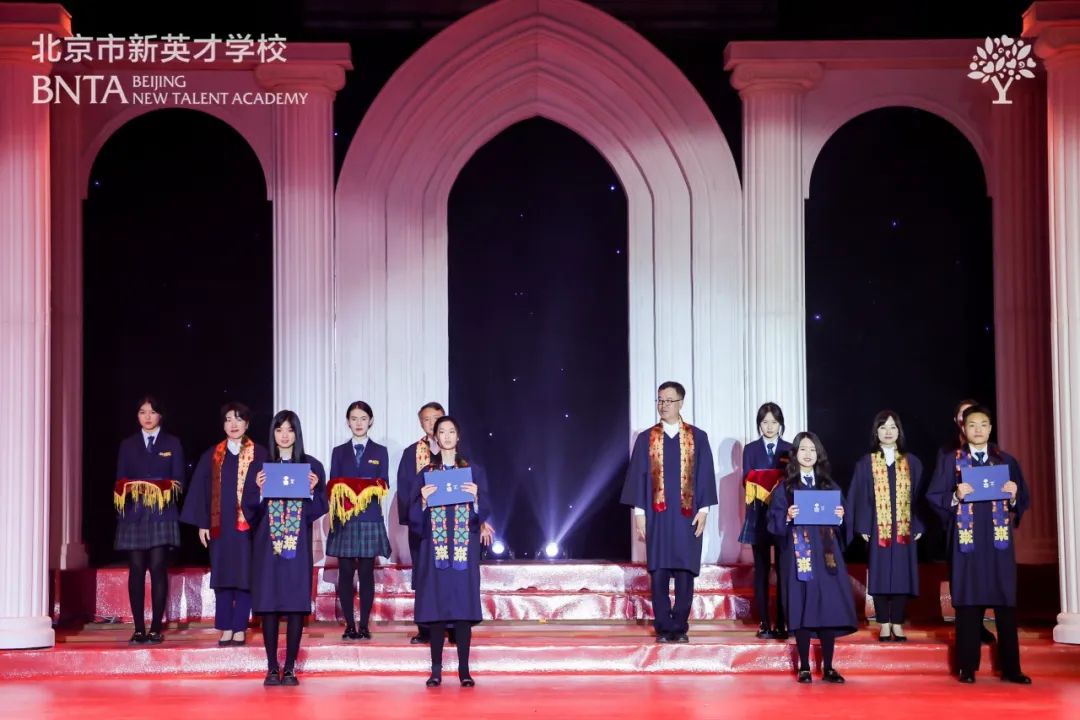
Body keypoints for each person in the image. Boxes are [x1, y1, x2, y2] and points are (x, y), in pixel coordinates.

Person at [926, 405, 1031, 684]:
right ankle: (967, 667)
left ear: (990, 428)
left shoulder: (1005, 461)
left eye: (983, 424)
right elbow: (933, 496)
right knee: (968, 601)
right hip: (967, 543)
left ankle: (1012, 669)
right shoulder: (951, 462)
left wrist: (1013, 496)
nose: (978, 430)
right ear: (963, 428)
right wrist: (954, 495)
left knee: (1004, 602)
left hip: (998, 544)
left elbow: (1022, 499)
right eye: (972, 425)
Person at [620, 381, 717, 643]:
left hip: (688, 515)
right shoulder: (646, 438)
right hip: (658, 515)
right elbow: (639, 477)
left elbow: (705, 475)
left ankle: (680, 626)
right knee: (659, 571)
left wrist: (704, 510)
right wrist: (639, 514)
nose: (663, 405)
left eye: (669, 400)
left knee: (685, 571)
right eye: (660, 400)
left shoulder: (697, 437)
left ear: (681, 403)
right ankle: (664, 627)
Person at [246, 410, 328, 686]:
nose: (284, 435)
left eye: (290, 430)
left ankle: (290, 667)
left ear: (297, 433)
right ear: (273, 433)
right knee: (269, 604)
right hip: (267, 545)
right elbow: (249, 510)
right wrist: (259, 492)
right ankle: (272, 667)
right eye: (279, 429)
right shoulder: (260, 467)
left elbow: (318, 509)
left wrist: (313, 491)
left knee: (295, 604)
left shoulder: (311, 466)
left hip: (297, 545)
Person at [768, 431, 856, 684]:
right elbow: (772, 522)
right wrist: (787, 516)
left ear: (819, 455)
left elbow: (845, 522)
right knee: (802, 605)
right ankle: (804, 667)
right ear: (795, 454)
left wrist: (840, 517)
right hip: (799, 557)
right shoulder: (785, 488)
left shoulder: (829, 486)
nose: (808, 454)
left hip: (827, 557)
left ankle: (828, 666)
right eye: (803, 449)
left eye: (812, 450)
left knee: (828, 606)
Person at [411, 416, 492, 687]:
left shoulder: (473, 471)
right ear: (435, 437)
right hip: (434, 550)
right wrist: (423, 502)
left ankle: (464, 670)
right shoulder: (426, 473)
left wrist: (476, 500)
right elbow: (413, 515)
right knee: (436, 609)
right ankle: (435, 670)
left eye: (451, 431)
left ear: (458, 436)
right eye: (442, 432)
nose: (446, 436)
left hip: (462, 549)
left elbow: (484, 510)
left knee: (462, 609)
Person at [181, 402, 268, 646]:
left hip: (248, 525)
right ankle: (225, 626)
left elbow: (268, 490)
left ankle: (239, 626)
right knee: (222, 576)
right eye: (228, 419)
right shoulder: (213, 454)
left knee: (244, 576)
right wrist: (202, 523)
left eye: (238, 419)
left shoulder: (260, 453)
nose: (233, 424)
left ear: (247, 424)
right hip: (219, 525)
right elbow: (200, 490)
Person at [113, 395, 185, 645]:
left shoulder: (172, 443)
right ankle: (138, 629)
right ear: (137, 416)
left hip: (161, 514)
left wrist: (156, 488)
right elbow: (120, 480)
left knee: (157, 567)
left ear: (160, 415)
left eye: (152, 412)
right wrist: (132, 489)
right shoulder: (127, 445)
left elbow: (179, 481)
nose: (147, 417)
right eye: (143, 412)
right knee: (136, 569)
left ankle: (155, 628)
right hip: (134, 515)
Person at [848, 411, 924, 641]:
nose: (888, 432)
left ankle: (898, 623)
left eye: (892, 427)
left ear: (899, 431)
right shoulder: (866, 463)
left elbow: (919, 498)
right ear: (876, 432)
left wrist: (918, 524)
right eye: (883, 427)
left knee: (902, 574)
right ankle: (883, 623)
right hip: (877, 526)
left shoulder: (912, 463)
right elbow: (859, 496)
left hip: (903, 527)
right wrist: (863, 525)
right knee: (879, 574)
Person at [326, 401, 391, 641]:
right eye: (354, 418)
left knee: (366, 573)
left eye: (363, 418)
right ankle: (349, 625)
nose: (359, 423)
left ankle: (364, 625)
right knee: (345, 572)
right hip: (344, 519)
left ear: (370, 421)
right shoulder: (339, 451)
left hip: (369, 518)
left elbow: (384, 483)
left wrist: (361, 487)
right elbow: (333, 484)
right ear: (348, 422)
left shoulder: (380, 451)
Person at [934, 398, 996, 645]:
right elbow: (938, 490)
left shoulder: (993, 454)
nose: (970, 422)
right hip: (959, 524)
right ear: (958, 421)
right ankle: (966, 627)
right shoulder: (948, 453)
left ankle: (978, 623)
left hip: (986, 525)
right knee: (962, 578)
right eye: (963, 416)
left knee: (983, 576)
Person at [738, 402, 791, 639]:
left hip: (782, 517)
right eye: (765, 422)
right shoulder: (750, 449)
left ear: (780, 424)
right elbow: (745, 480)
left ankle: (782, 621)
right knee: (761, 570)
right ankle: (764, 622)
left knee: (783, 570)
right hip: (758, 516)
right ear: (759, 425)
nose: (769, 427)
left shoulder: (789, 449)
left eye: (774, 422)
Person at [396, 402, 445, 644]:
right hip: (423, 525)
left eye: (436, 418)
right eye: (427, 419)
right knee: (424, 576)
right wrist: (414, 517)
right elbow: (405, 490)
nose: (432, 423)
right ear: (421, 423)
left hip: (450, 526)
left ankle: (452, 625)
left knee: (448, 575)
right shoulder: (411, 453)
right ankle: (425, 628)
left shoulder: (457, 452)